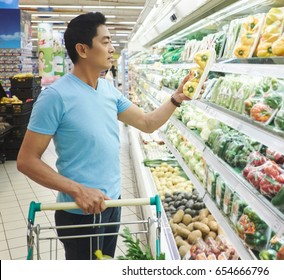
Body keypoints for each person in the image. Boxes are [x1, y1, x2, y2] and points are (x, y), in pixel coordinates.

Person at [17, 12, 190, 260]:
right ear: (83, 49)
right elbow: (26, 160)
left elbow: (147, 123)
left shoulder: (109, 90)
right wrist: (77, 190)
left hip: (112, 204)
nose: (112, 48)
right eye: (106, 41)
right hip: (78, 212)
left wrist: (176, 98)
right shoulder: (55, 97)